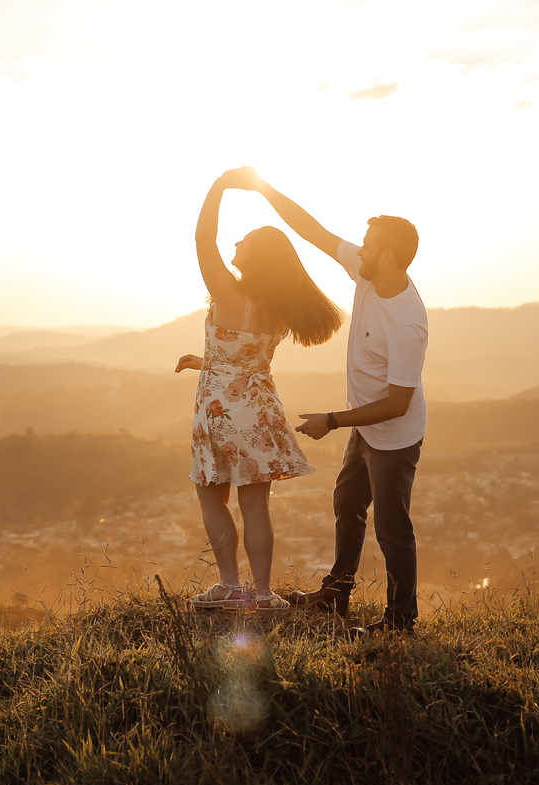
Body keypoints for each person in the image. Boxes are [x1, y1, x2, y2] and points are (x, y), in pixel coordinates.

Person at [230, 167, 427, 634]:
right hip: (364, 425)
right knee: (347, 500)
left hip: (394, 435)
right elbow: (311, 230)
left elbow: (399, 401)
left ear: (391, 255)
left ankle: (401, 621)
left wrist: (335, 420)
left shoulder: (408, 321)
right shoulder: (366, 275)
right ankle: (337, 593)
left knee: (392, 526)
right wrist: (263, 188)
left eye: (369, 242)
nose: (360, 247)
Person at [175, 170, 343, 613]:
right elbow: (244, 355)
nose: (235, 246)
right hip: (260, 406)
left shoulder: (229, 295)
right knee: (256, 506)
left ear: (259, 257)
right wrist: (205, 359)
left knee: (212, 496)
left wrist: (218, 186)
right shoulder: (277, 307)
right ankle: (264, 594)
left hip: (220, 408)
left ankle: (231, 587)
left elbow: (201, 240)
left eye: (244, 241)